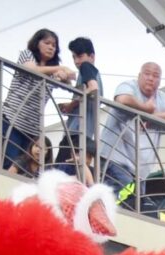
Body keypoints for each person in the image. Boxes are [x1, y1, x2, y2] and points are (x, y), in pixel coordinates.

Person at [99, 61, 165, 206]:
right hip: (115, 159)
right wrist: (145, 109)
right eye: (147, 74)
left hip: (139, 171)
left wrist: (152, 117)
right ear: (139, 76)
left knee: (138, 208)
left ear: (160, 81)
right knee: (117, 201)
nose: (151, 78)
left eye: (156, 76)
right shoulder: (129, 86)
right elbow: (122, 99)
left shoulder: (162, 98)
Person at [0, 28, 75, 172]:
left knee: (27, 169)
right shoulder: (27, 55)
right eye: (47, 43)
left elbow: (69, 84)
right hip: (12, 119)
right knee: (10, 165)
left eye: (54, 45)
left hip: (32, 128)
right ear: (37, 43)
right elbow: (32, 69)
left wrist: (64, 76)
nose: (51, 47)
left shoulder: (51, 72)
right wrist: (61, 68)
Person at [55, 36, 101, 182]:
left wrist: (71, 105)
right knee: (72, 175)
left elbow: (93, 88)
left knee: (59, 174)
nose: (76, 61)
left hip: (77, 134)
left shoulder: (86, 68)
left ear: (91, 56)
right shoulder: (90, 72)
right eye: (74, 57)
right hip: (84, 134)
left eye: (80, 56)